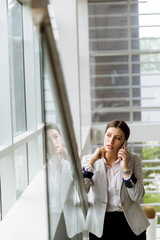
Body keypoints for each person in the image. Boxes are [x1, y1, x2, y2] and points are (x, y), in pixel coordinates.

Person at [81, 119, 150, 240]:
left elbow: (137, 196)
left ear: (124, 142)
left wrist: (126, 169)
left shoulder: (134, 159)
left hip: (130, 222)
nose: (110, 141)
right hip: (100, 223)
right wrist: (92, 162)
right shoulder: (88, 160)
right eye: (108, 135)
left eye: (117, 138)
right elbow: (82, 191)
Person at [46, 123, 85, 239]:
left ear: (61, 138)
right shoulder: (43, 169)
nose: (54, 143)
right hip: (52, 220)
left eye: (56, 137)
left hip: (72, 218)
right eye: (48, 140)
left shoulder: (69, 164)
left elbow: (84, 186)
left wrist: (72, 160)